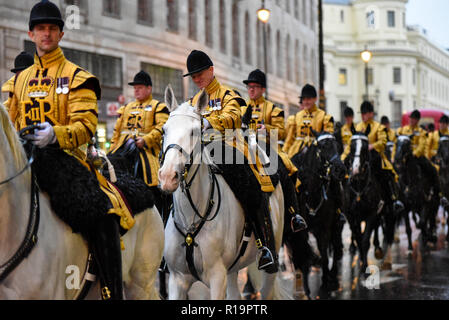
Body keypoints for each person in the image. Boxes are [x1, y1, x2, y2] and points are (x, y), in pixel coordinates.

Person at [8, 0, 131, 300]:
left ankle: (111, 290)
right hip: (23, 160)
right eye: (40, 29)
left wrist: (55, 135)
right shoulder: (17, 82)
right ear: (31, 33)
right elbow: (9, 124)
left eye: (52, 29)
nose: (46, 34)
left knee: (101, 211)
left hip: (66, 161)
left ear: (61, 34)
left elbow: (87, 126)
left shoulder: (77, 77)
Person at [185, 50, 278, 272]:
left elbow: (235, 116)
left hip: (227, 148)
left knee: (250, 187)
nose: (197, 79)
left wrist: (209, 123)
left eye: (200, 74)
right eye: (193, 76)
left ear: (211, 70)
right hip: (200, 149)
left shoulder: (229, 94)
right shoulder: (193, 101)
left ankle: (265, 246)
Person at [241, 69, 306, 232]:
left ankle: (294, 214)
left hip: (267, 148)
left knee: (287, 169)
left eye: (255, 87)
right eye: (249, 87)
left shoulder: (273, 109)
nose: (251, 90)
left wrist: (267, 128)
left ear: (263, 89)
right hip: (246, 148)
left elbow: (282, 132)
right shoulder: (242, 109)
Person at [109, 70, 169, 214]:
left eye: (140, 87)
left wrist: (146, 140)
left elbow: (162, 127)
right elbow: (116, 132)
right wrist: (111, 150)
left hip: (146, 151)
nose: (136, 91)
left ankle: (158, 207)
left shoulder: (158, 107)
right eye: (135, 88)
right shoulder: (126, 108)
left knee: (150, 176)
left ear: (149, 88)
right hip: (123, 149)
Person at [343, 101, 404, 212]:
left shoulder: (379, 127)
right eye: (361, 113)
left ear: (371, 114)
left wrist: (372, 146)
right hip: (360, 157)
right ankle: (345, 203)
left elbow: (383, 142)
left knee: (387, 176)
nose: (363, 115)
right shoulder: (358, 126)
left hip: (375, 157)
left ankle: (393, 199)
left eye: (365, 113)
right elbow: (351, 144)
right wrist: (343, 157)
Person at [282, 84, 334, 158]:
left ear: (315, 99)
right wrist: (283, 155)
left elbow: (328, 142)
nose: (306, 102)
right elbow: (289, 140)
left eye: (309, 99)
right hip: (295, 154)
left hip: (316, 154)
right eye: (304, 99)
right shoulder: (295, 117)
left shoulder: (324, 117)